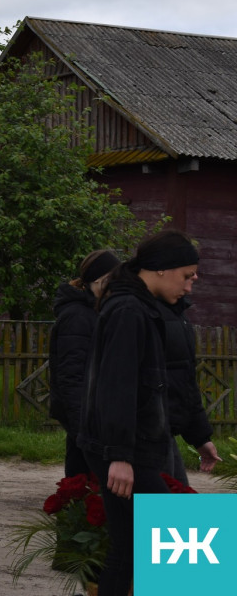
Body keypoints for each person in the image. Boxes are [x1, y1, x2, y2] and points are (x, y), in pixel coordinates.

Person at [77, 230, 200, 595]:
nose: (190, 286)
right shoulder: (129, 310)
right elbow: (116, 386)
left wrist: (198, 433)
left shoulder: (138, 305)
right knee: (184, 537)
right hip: (122, 449)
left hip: (128, 445)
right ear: (162, 270)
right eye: (187, 275)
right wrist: (120, 456)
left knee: (129, 548)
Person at [47, 250, 119, 477]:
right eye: (113, 279)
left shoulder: (95, 311)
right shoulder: (77, 316)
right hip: (84, 417)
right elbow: (71, 375)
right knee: (85, 482)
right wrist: (81, 428)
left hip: (93, 416)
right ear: (98, 280)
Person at [161, 292, 221, 484]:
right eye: (187, 273)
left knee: (179, 503)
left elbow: (184, 381)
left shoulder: (177, 314)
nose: (194, 278)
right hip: (143, 438)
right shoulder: (140, 311)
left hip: (163, 433)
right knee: (161, 509)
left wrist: (200, 437)